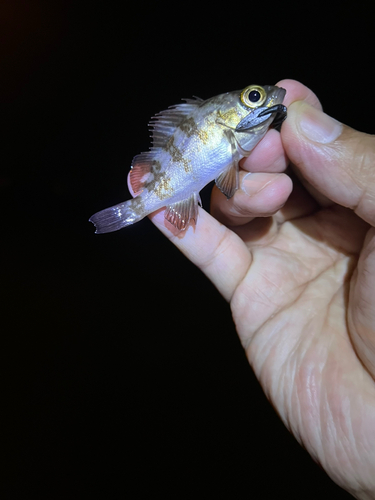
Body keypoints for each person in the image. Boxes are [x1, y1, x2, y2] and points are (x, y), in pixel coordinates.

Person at [148, 79, 375, 498]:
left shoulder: (248, 132)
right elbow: (228, 182)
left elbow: (230, 182)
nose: (265, 99)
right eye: (254, 97)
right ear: (226, 114)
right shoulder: (226, 130)